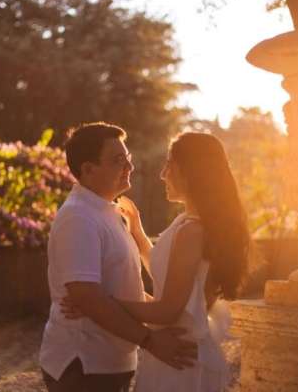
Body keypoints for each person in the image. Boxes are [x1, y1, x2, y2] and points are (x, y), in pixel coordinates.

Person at [62, 132, 250, 391]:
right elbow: (169, 276)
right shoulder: (191, 223)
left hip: (177, 355)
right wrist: (138, 234)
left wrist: (101, 304)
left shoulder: (192, 231)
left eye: (169, 165)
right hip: (176, 352)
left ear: (189, 171)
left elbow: (168, 310)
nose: (163, 174)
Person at [39, 122, 198, 392]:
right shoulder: (79, 217)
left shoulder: (109, 213)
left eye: (128, 159)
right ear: (88, 169)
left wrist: (160, 315)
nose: (129, 167)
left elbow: (120, 291)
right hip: (85, 366)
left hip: (110, 363)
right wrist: (150, 340)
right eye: (118, 160)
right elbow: (86, 296)